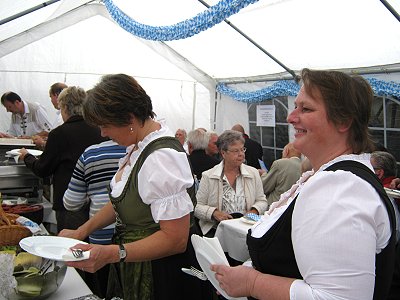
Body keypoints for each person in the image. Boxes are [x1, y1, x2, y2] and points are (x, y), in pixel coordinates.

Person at [211, 68, 396, 300]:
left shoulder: (339, 189)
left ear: (344, 121)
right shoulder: (328, 178)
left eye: (305, 108)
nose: (290, 117)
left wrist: (252, 282)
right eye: (295, 105)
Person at [58, 74, 206, 300]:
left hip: (161, 274)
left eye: (105, 125)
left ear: (129, 119)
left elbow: (176, 239)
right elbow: (122, 202)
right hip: (138, 261)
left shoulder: (161, 158)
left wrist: (112, 253)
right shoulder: (139, 147)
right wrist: (82, 232)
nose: (102, 133)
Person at [19, 86, 106, 233]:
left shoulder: (59, 134)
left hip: (69, 203)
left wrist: (27, 157)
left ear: (65, 107)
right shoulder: (100, 130)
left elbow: (43, 169)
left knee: (70, 246)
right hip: (99, 202)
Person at [63, 139, 126, 298]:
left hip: (104, 241)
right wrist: (79, 232)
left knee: (102, 290)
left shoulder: (91, 153)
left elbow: (71, 202)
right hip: (135, 246)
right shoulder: (136, 152)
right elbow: (117, 204)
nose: (102, 132)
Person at [194, 129, 268, 237]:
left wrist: (254, 211)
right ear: (223, 153)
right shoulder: (209, 176)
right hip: (217, 232)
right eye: (235, 151)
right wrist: (215, 213)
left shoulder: (253, 173)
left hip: (246, 230)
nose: (241, 154)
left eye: (242, 149)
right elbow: (197, 206)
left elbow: (262, 200)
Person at [261, 142, 302, 207]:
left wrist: (263, 174)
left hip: (273, 208)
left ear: (286, 151)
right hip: (292, 208)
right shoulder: (304, 167)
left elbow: (263, 187)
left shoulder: (280, 163)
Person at [32, 82, 68, 149]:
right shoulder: (62, 115)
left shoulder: (62, 117)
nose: (51, 100)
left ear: (56, 95)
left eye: (51, 97)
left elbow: (59, 143)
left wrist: (42, 143)